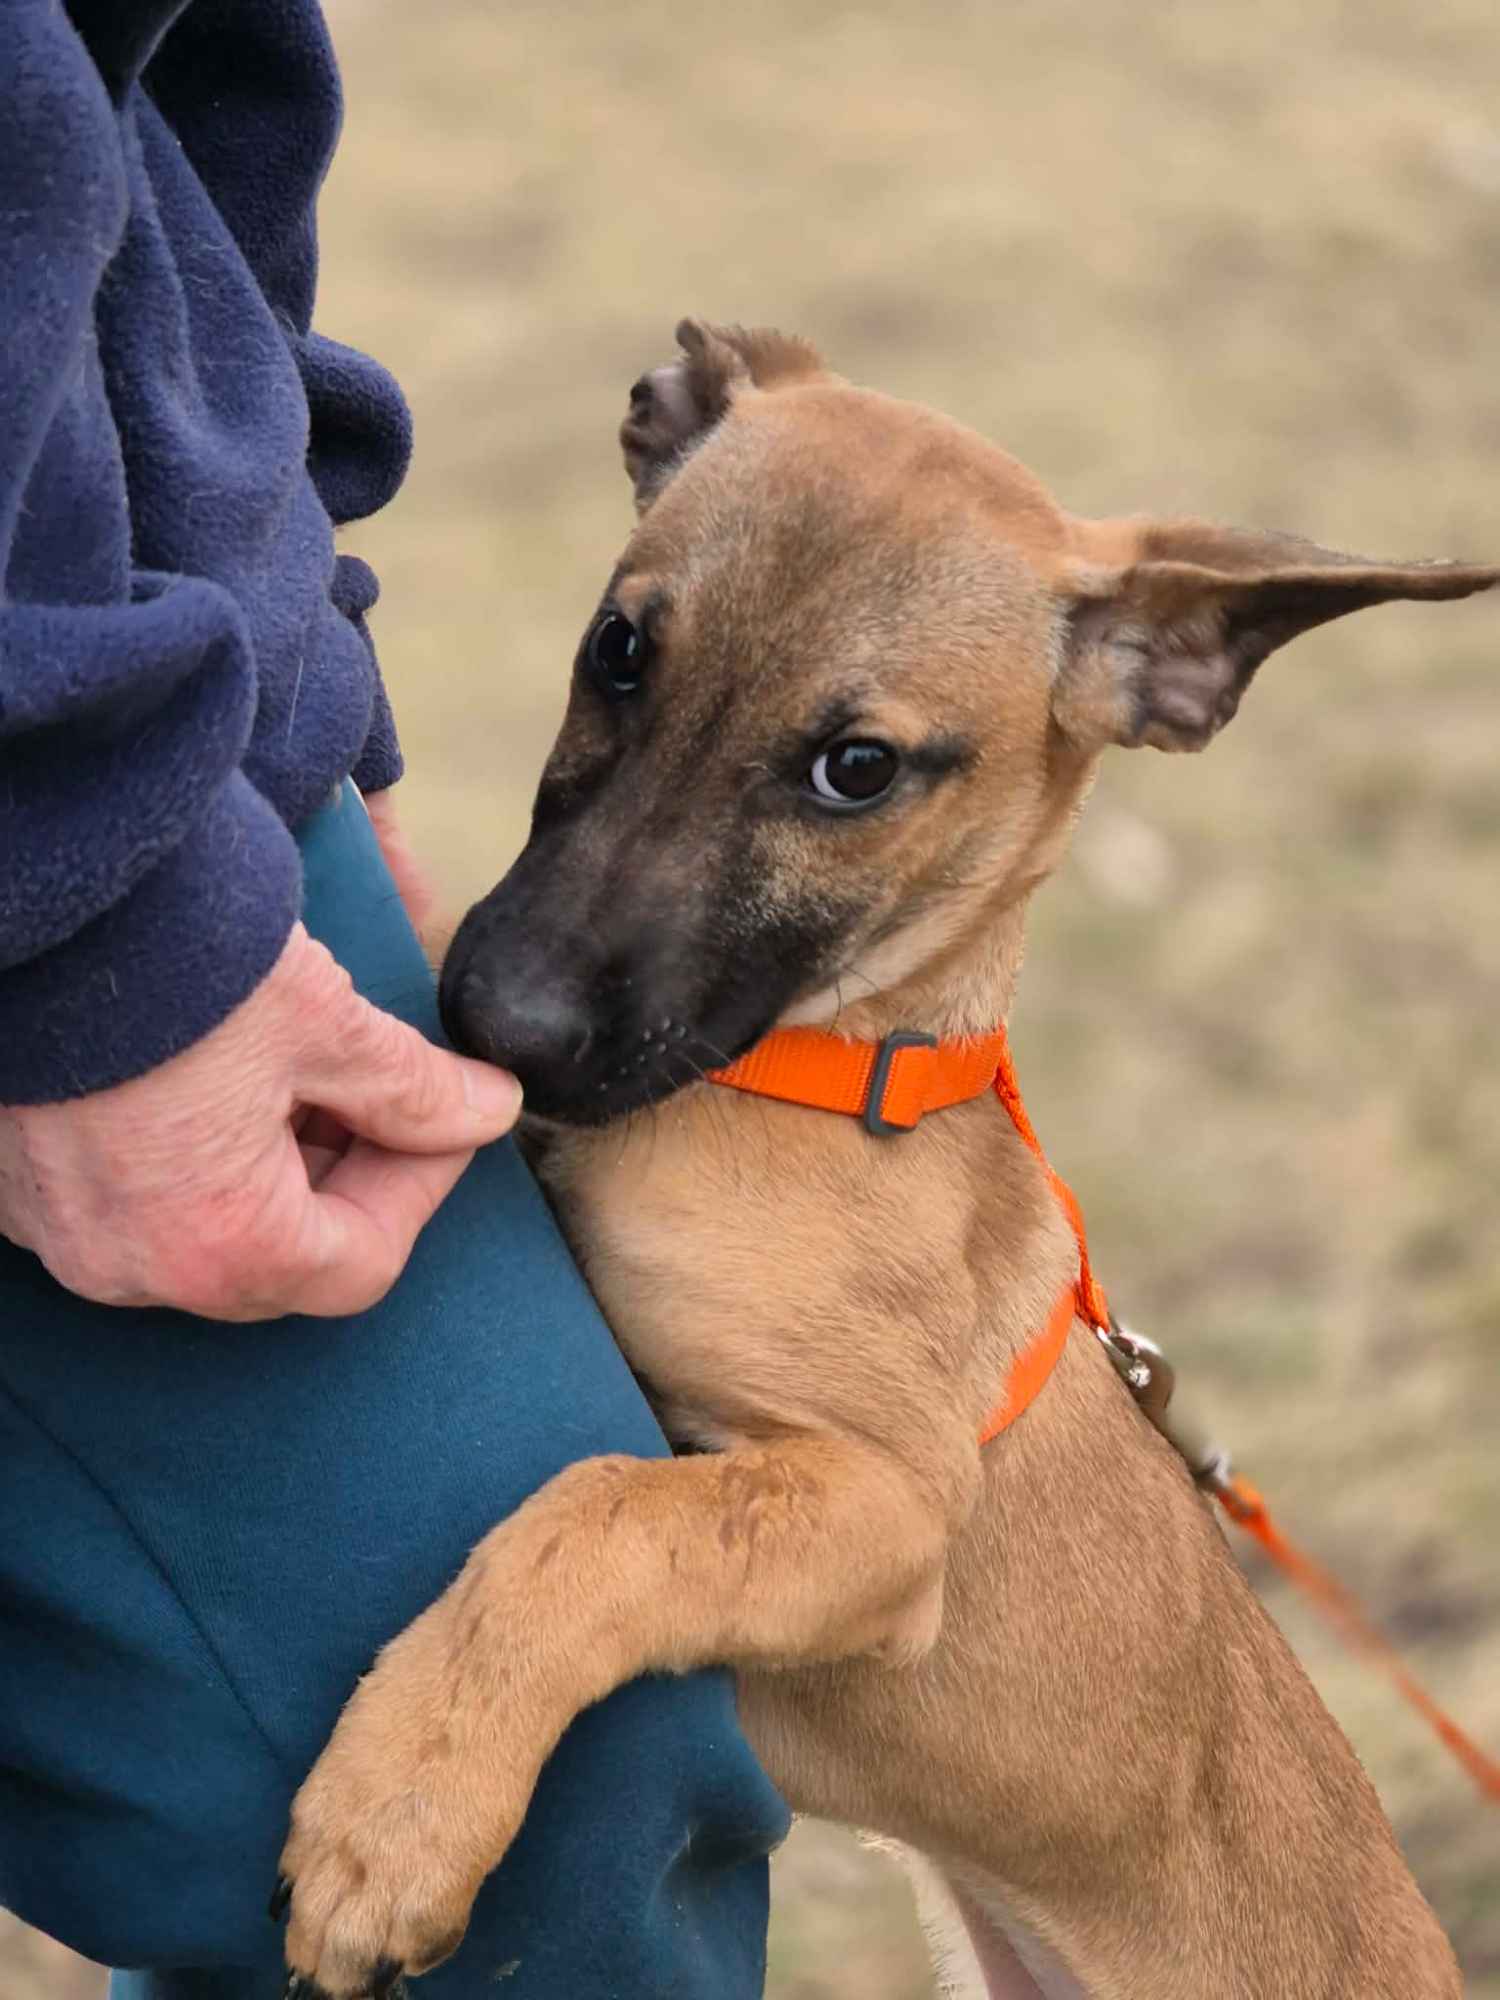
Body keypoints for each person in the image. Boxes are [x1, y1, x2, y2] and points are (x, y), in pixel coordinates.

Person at [0, 5, 788, 1997]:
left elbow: (169, 64)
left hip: (114, 726)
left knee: (551, 1822)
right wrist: (83, 923)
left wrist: (284, 689)